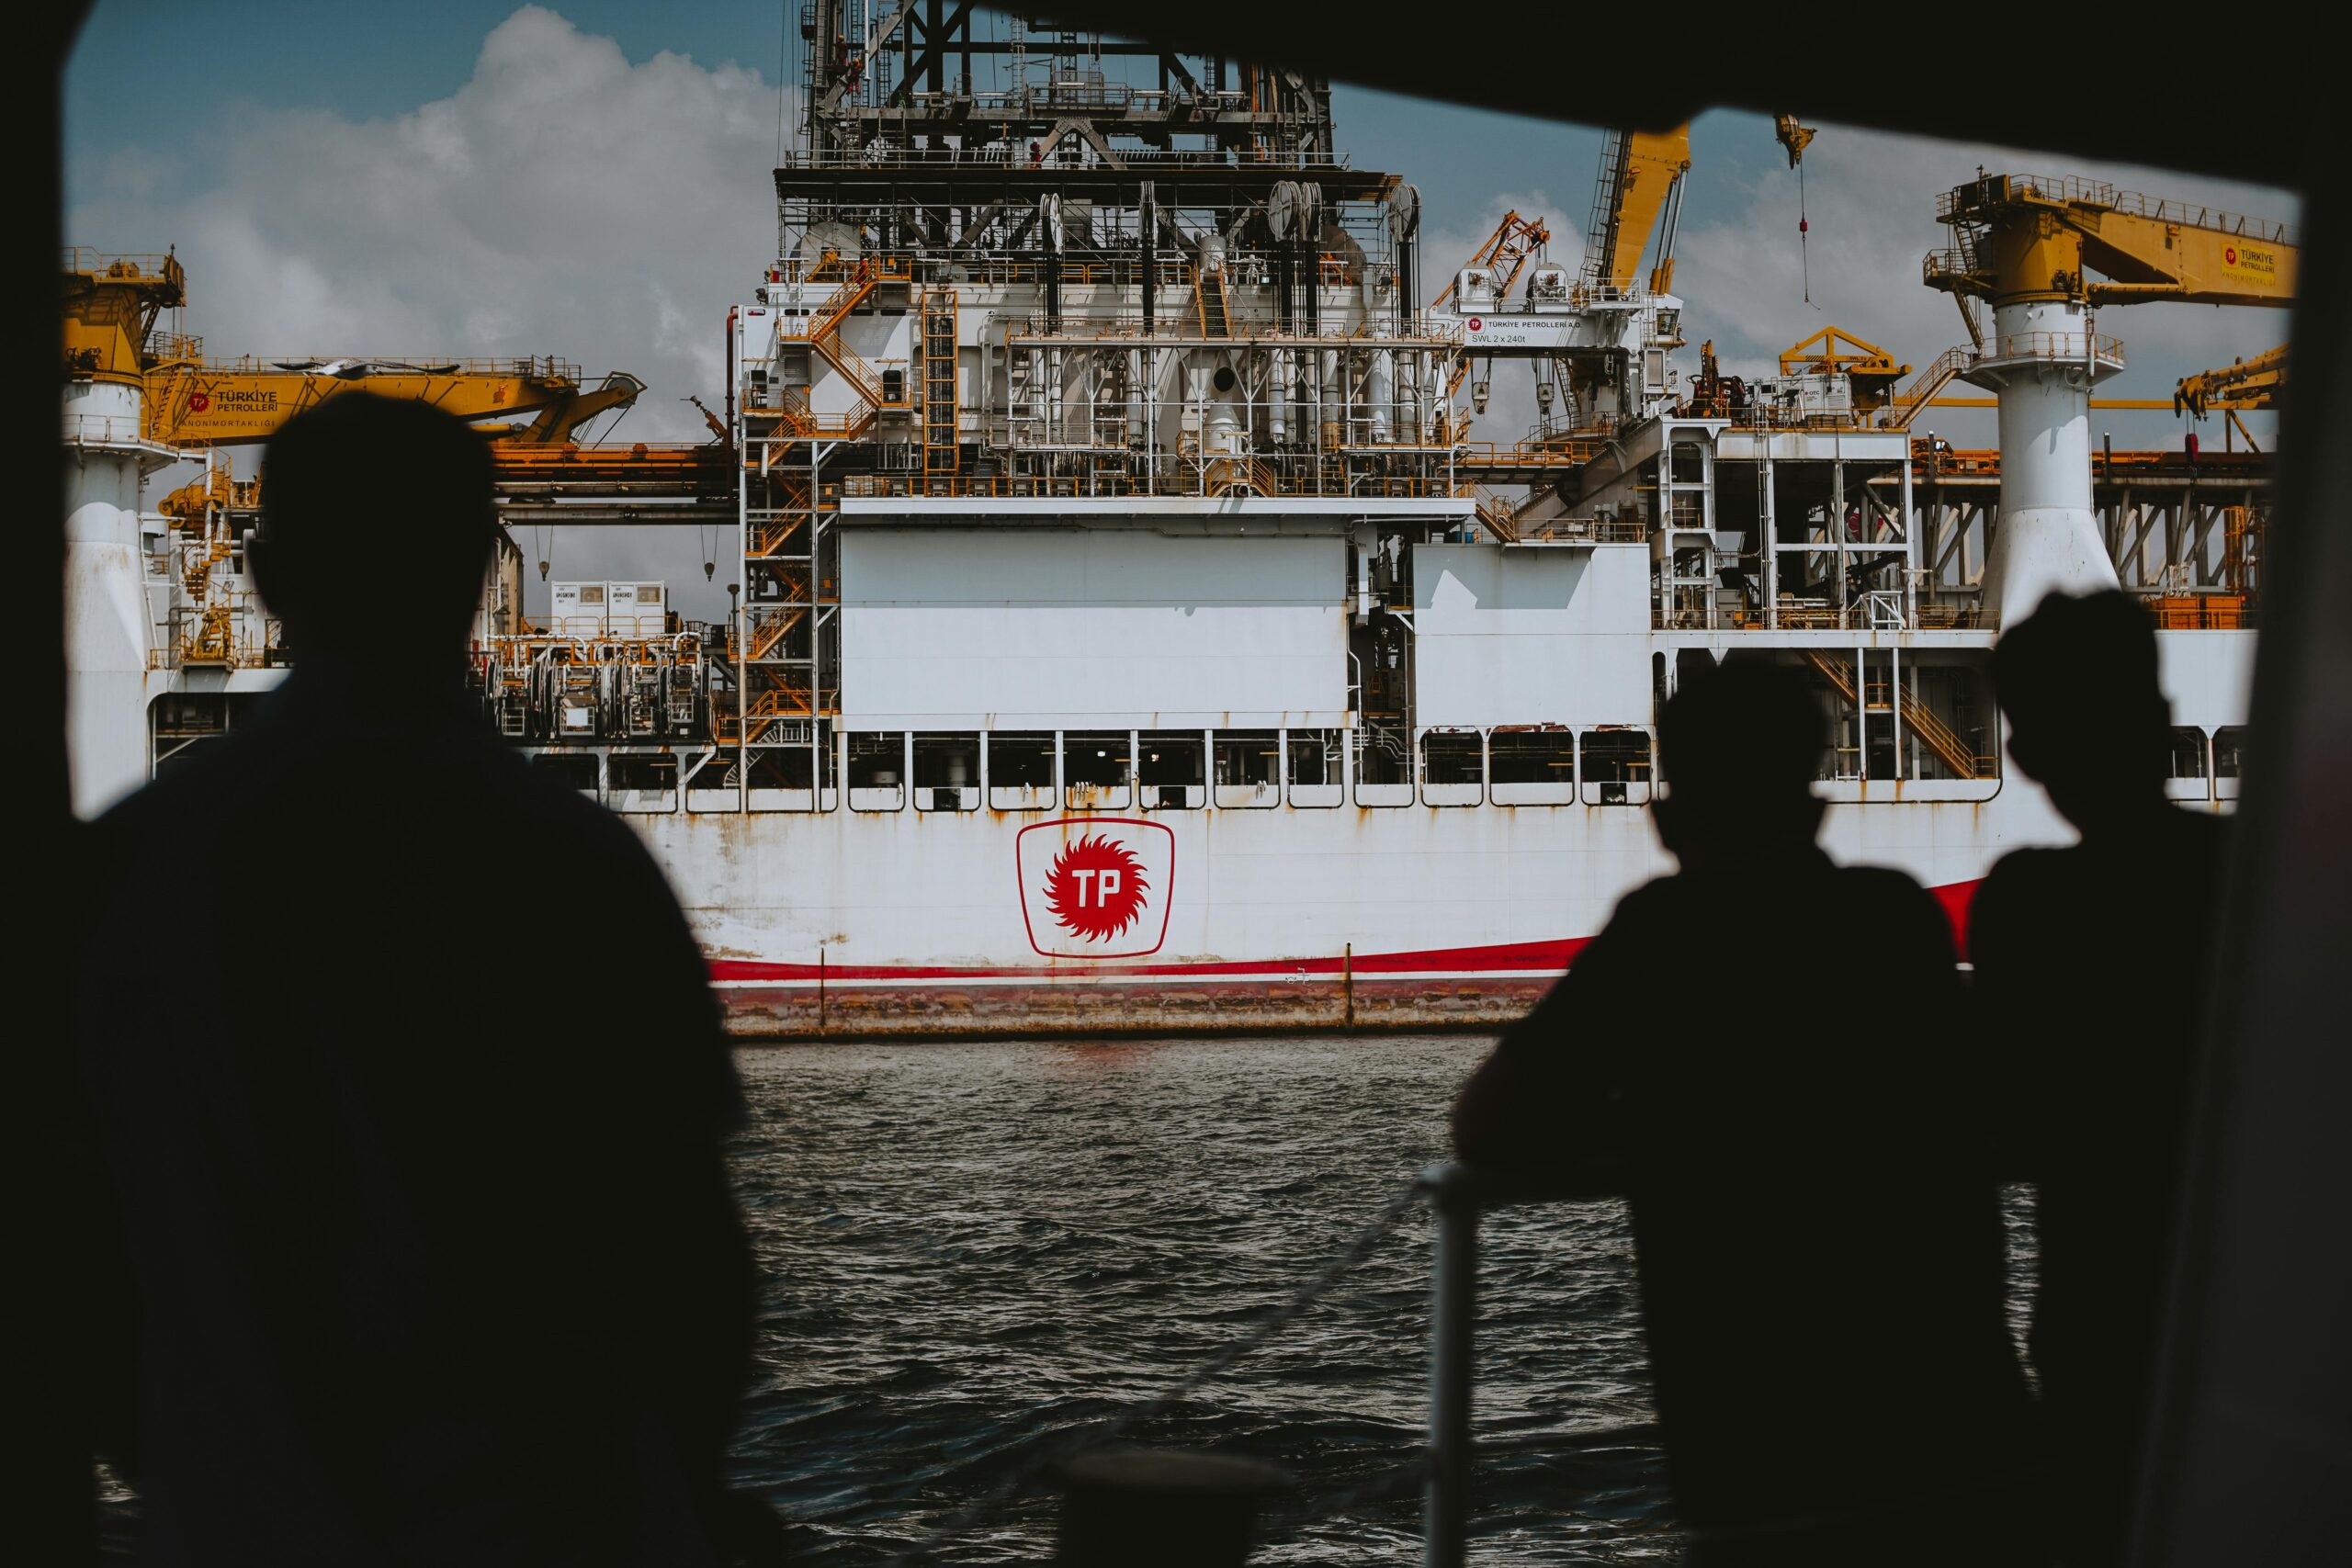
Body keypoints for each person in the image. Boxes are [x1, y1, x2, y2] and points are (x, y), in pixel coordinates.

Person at [75, 395, 760, 1566]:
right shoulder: (577, 863)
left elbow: (69, 1262)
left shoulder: (121, 870)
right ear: (480, 569)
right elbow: (695, 1267)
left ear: (263, 574)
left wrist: (216, 1473)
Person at [1453, 661, 2035, 1566]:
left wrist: (1652, 1120)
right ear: (1811, 800)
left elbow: (1487, 1125)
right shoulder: (1898, 921)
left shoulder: (1660, 935)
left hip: (1760, 1469)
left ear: (1671, 810)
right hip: (1963, 1444)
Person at [1970, 590, 2230, 1567]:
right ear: (2165, 726)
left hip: (2100, 1328)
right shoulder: (2251, 877)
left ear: (2026, 759)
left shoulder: (2029, 904)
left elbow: (1996, 1116)